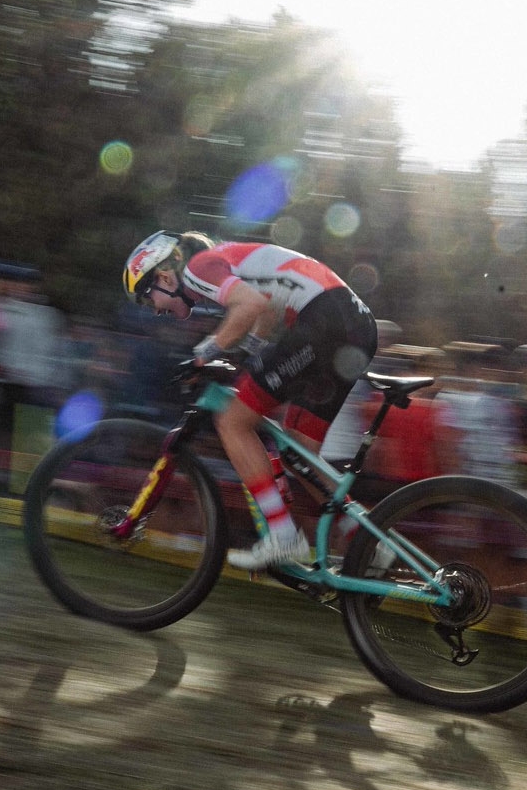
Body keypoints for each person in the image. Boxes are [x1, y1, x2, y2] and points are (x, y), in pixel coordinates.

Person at [122, 230, 377, 569]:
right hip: (352, 326)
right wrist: (246, 354)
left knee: (232, 420)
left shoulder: (199, 267)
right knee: (298, 453)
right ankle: (370, 541)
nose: (153, 311)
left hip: (326, 322)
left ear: (165, 276)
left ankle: (282, 535)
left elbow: (250, 306)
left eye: (146, 297)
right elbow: (268, 310)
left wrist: (203, 354)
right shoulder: (228, 259)